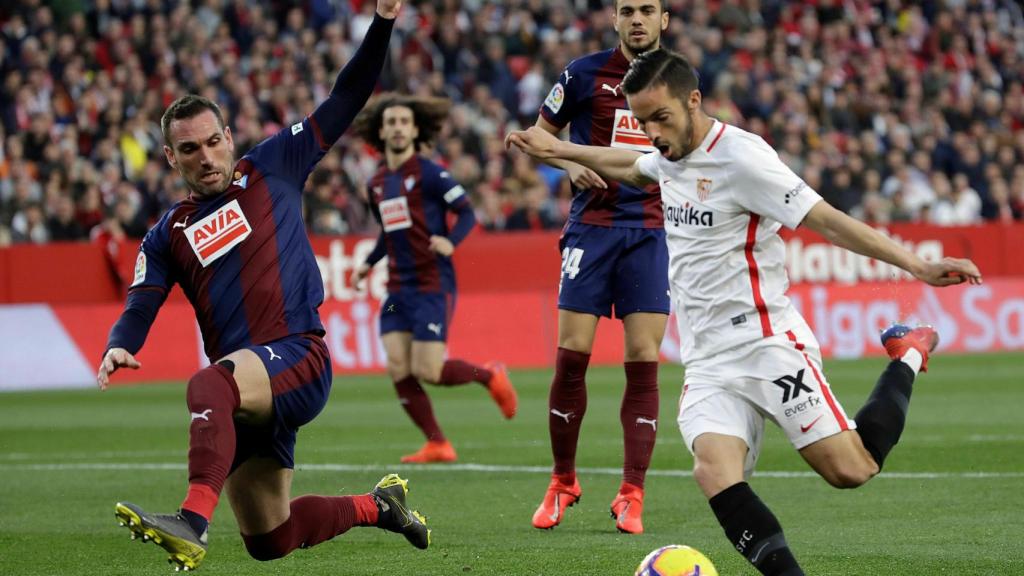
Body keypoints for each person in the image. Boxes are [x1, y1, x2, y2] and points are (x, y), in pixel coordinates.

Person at [507, 49, 982, 576]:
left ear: (694, 100)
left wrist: (916, 265)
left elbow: (826, 220)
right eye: (642, 122)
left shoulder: (744, 159)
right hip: (708, 359)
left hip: (766, 343)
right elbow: (634, 165)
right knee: (714, 470)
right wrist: (560, 149)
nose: (652, 133)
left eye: (660, 118)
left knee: (852, 469)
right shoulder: (667, 152)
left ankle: (907, 354)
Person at [95, 2, 430, 571]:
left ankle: (191, 521)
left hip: (298, 355)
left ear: (228, 136)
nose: (206, 158)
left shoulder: (272, 165)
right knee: (269, 540)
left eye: (212, 142)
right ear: (171, 159)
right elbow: (142, 298)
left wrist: (383, 21)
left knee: (206, 384)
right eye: (190, 150)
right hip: (248, 391)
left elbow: (346, 96)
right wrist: (121, 342)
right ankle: (380, 506)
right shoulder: (167, 234)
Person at [529, 0, 671, 535]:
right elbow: (539, 134)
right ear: (615, 20)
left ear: (664, 21)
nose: (637, 19)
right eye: (628, 10)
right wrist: (571, 162)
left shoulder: (678, 78)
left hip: (653, 233)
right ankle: (563, 480)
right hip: (592, 230)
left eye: (647, 10)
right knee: (572, 358)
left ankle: (632, 492)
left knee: (642, 357)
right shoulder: (583, 73)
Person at [351, 94, 518, 463]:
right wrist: (368, 262)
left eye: (403, 122)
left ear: (414, 130)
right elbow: (387, 233)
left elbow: (467, 213)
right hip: (396, 288)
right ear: (381, 131)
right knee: (397, 366)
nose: (397, 128)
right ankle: (438, 443)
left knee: (428, 370)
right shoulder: (376, 183)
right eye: (390, 122)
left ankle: (488, 375)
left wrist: (450, 241)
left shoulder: (430, 173)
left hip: (431, 284)